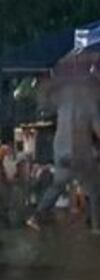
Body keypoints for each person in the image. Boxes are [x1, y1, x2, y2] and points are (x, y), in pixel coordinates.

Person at [26, 73, 100, 233]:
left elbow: (46, 106)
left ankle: (36, 217)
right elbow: (98, 128)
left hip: (60, 150)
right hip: (80, 152)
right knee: (95, 189)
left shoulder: (65, 96)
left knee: (58, 185)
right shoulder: (90, 102)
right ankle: (96, 227)